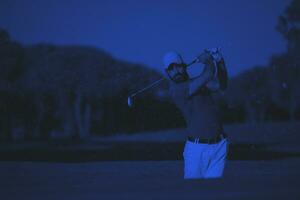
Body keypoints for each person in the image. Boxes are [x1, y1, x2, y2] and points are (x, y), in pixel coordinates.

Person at [163, 50, 228, 179]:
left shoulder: (197, 83)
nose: (175, 71)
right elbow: (209, 73)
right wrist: (208, 60)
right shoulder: (176, 90)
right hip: (197, 150)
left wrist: (220, 62)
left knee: (214, 194)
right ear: (167, 73)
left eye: (177, 66)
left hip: (220, 146)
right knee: (193, 193)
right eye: (171, 69)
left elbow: (222, 85)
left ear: (184, 66)